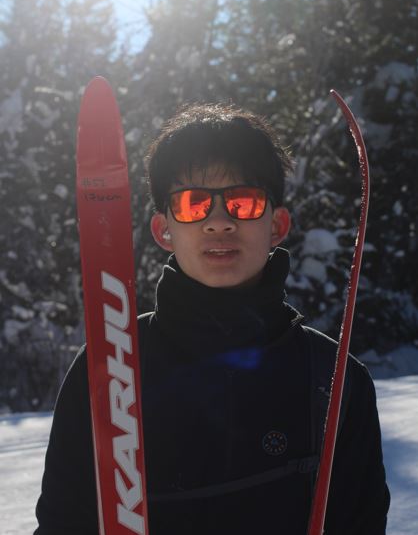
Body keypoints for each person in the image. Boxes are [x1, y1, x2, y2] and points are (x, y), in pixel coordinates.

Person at [35, 103, 390, 534]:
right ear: (164, 230)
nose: (218, 222)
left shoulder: (333, 381)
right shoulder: (110, 367)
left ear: (277, 225)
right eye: (192, 203)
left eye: (244, 201)